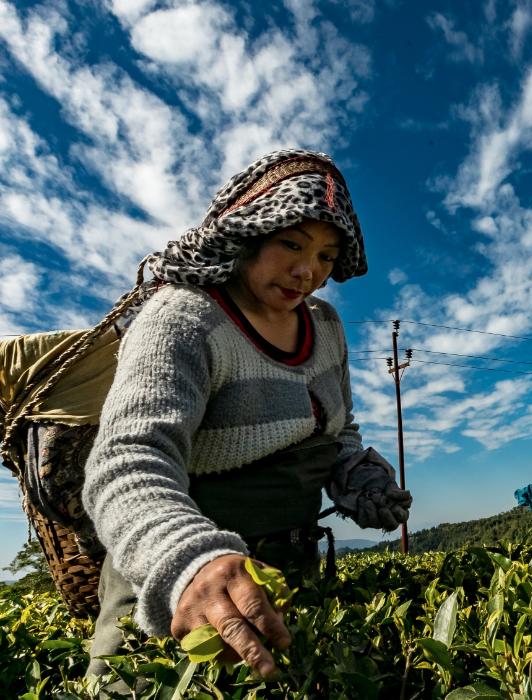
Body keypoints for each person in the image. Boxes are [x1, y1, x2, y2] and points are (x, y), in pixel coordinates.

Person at [82, 149, 411, 681]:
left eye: (327, 256)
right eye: (291, 244)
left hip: (288, 574)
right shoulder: (185, 317)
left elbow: (337, 428)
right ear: (247, 234)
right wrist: (189, 560)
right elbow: (129, 458)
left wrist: (356, 474)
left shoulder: (325, 326)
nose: (308, 272)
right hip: (182, 585)